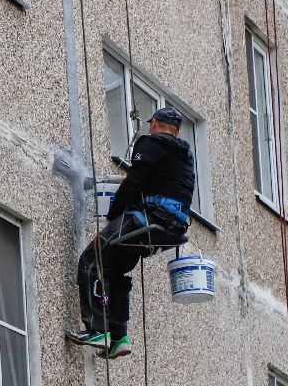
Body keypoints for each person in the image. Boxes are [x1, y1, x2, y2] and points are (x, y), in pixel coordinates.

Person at [70, 107, 196, 359]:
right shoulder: (184, 156)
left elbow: (134, 181)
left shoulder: (149, 143)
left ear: (156, 124)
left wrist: (113, 214)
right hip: (172, 226)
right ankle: (119, 338)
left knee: (91, 259)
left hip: (148, 217)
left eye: (151, 124)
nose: (149, 128)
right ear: (177, 130)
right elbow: (162, 182)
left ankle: (97, 329)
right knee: (114, 270)